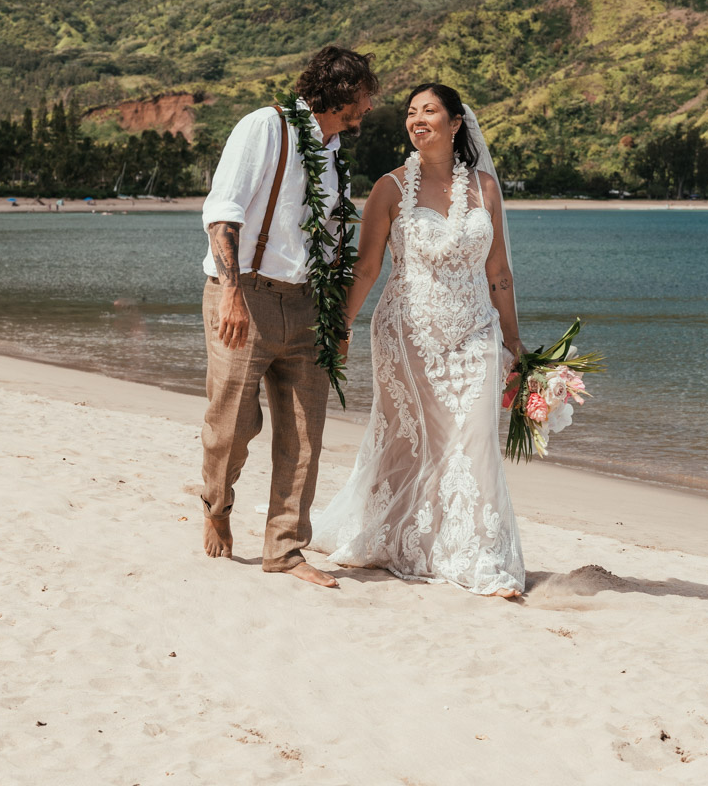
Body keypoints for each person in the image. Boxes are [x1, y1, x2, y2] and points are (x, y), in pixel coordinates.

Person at [310, 82, 527, 597]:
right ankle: (407, 538)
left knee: (474, 440)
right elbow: (365, 270)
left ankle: (478, 559)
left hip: (476, 333)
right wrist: (339, 326)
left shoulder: (487, 189)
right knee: (412, 444)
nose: (418, 119)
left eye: (430, 111)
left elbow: (498, 272)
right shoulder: (389, 188)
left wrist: (515, 344)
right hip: (408, 335)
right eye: (411, 112)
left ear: (456, 124)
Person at [199, 45, 377, 589]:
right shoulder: (264, 128)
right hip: (244, 294)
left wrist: (339, 322)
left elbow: (338, 243)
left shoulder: (337, 152)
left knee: (304, 433)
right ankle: (217, 504)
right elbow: (223, 212)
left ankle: (284, 549)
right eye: (364, 98)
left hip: (309, 305)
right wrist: (231, 294)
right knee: (232, 425)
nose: (368, 108)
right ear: (340, 91)